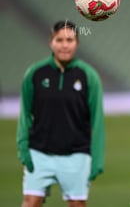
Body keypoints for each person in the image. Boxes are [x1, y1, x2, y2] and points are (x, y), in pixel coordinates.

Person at [16, 20, 105, 207]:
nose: (64, 45)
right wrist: (24, 148)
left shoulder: (88, 76)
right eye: (59, 39)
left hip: (76, 155)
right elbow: (24, 115)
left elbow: (97, 121)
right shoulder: (35, 73)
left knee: (77, 204)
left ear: (77, 43)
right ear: (51, 42)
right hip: (39, 153)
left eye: (70, 40)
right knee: (31, 202)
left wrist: (96, 158)